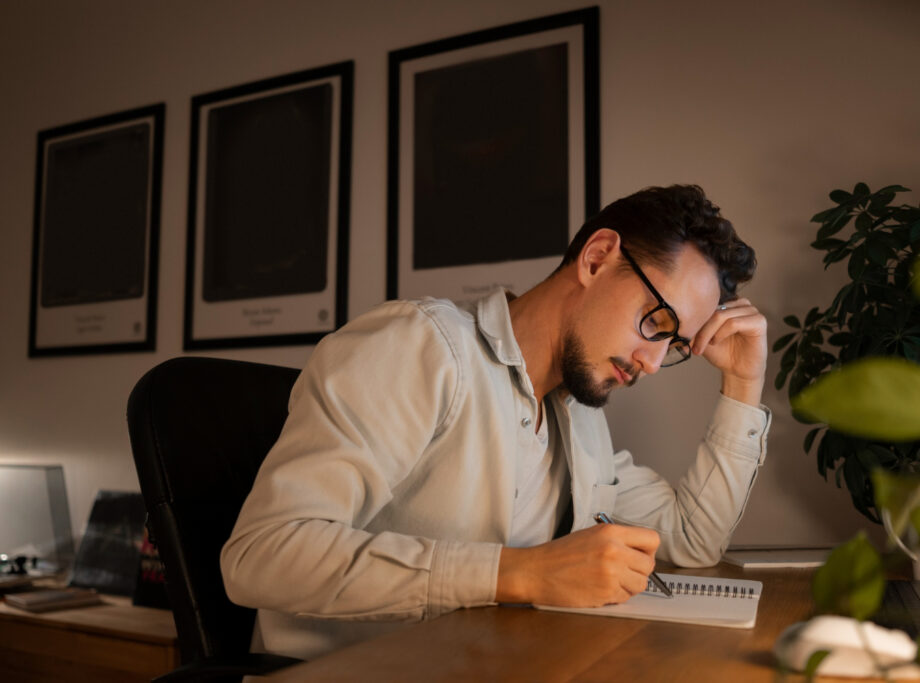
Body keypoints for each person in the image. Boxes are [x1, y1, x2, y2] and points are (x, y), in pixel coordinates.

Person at [221, 184, 771, 659]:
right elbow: (261, 555)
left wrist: (744, 385)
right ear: (598, 257)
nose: (653, 363)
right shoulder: (422, 347)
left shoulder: (578, 417)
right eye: (657, 321)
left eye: (675, 345)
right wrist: (520, 573)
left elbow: (691, 541)